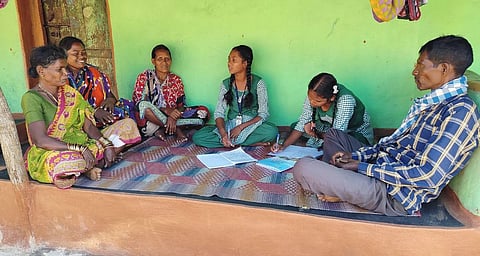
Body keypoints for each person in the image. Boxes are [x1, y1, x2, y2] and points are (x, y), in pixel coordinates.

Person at [292, 35, 480, 216]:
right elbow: (392, 146)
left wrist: (361, 167)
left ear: (444, 69)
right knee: (334, 136)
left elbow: (427, 176)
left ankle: (342, 186)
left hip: (394, 193)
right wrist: (355, 157)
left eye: (421, 65)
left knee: (303, 167)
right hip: (382, 167)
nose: (414, 71)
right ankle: (343, 184)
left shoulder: (460, 112)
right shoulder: (431, 103)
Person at [21, 45, 140, 189]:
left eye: (65, 68)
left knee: (128, 125)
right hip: (53, 150)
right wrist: (80, 149)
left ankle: (88, 165)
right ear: (41, 71)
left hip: (84, 143)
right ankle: (91, 165)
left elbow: (88, 126)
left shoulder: (70, 93)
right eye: (60, 69)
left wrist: (106, 144)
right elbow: (40, 140)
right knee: (66, 162)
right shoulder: (31, 98)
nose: (65, 73)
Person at [270, 72, 374, 162]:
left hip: (354, 134)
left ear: (332, 98)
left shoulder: (345, 101)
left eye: (318, 101)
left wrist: (315, 133)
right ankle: (318, 142)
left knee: (336, 148)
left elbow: (336, 136)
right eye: (310, 98)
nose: (312, 102)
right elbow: (303, 122)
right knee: (296, 127)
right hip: (329, 128)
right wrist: (283, 146)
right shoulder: (314, 95)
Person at [192, 45, 278, 148]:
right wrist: (223, 134)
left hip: (251, 126)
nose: (229, 64)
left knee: (271, 131)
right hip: (231, 126)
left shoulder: (259, 83)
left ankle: (233, 142)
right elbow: (219, 112)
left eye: (234, 60)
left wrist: (241, 127)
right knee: (198, 137)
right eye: (228, 60)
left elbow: (263, 114)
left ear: (245, 63)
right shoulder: (225, 84)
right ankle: (246, 142)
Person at [58, 36, 139, 140]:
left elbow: (110, 95)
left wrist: (109, 101)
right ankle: (105, 144)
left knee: (128, 113)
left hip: (101, 119)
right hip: (79, 123)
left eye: (83, 52)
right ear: (64, 55)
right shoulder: (61, 78)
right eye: (75, 53)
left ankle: (106, 143)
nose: (82, 56)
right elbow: (67, 107)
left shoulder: (93, 73)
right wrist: (94, 112)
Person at [132, 44, 210, 142]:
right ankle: (176, 129)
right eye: (160, 59)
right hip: (149, 120)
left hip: (172, 116)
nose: (164, 62)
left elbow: (181, 105)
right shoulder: (144, 77)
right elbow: (141, 105)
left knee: (203, 112)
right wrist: (165, 110)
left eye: (167, 59)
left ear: (171, 60)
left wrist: (173, 117)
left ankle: (164, 128)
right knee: (144, 106)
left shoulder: (176, 79)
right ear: (153, 61)